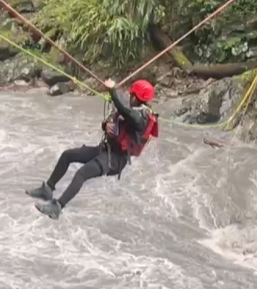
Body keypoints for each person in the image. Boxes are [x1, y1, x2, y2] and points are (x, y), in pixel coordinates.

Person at [27, 78, 159, 219]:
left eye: (132, 95)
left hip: (115, 159)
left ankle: (57, 207)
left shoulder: (141, 117)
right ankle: (48, 189)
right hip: (105, 149)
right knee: (67, 155)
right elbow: (113, 118)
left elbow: (125, 110)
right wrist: (106, 125)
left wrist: (113, 88)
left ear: (136, 97)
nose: (129, 96)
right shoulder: (132, 109)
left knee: (81, 174)